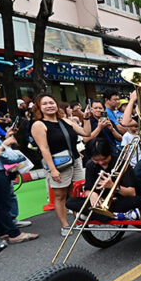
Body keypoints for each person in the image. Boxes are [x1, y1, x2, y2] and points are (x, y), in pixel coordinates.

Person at [31, 94, 91, 235]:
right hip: (57, 164)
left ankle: (79, 219)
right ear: (39, 107)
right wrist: (52, 169)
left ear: (57, 105)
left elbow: (86, 133)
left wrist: (86, 118)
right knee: (60, 195)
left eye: (51, 102)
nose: (49, 106)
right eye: (45, 103)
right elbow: (44, 148)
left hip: (75, 161)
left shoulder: (65, 121)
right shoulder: (38, 125)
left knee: (76, 191)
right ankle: (65, 225)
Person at [0, 104, 38, 243]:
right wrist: (5, 143)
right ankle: (14, 234)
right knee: (3, 205)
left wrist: (7, 137)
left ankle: (1, 231)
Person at [66, 138, 141, 222]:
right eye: (96, 160)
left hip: (122, 199)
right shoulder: (90, 165)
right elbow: (87, 190)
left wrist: (113, 186)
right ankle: (118, 216)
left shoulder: (121, 163)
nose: (101, 163)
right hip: (102, 200)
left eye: (104, 159)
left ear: (109, 153)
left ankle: (93, 215)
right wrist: (92, 194)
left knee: (137, 201)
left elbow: (131, 192)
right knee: (70, 202)